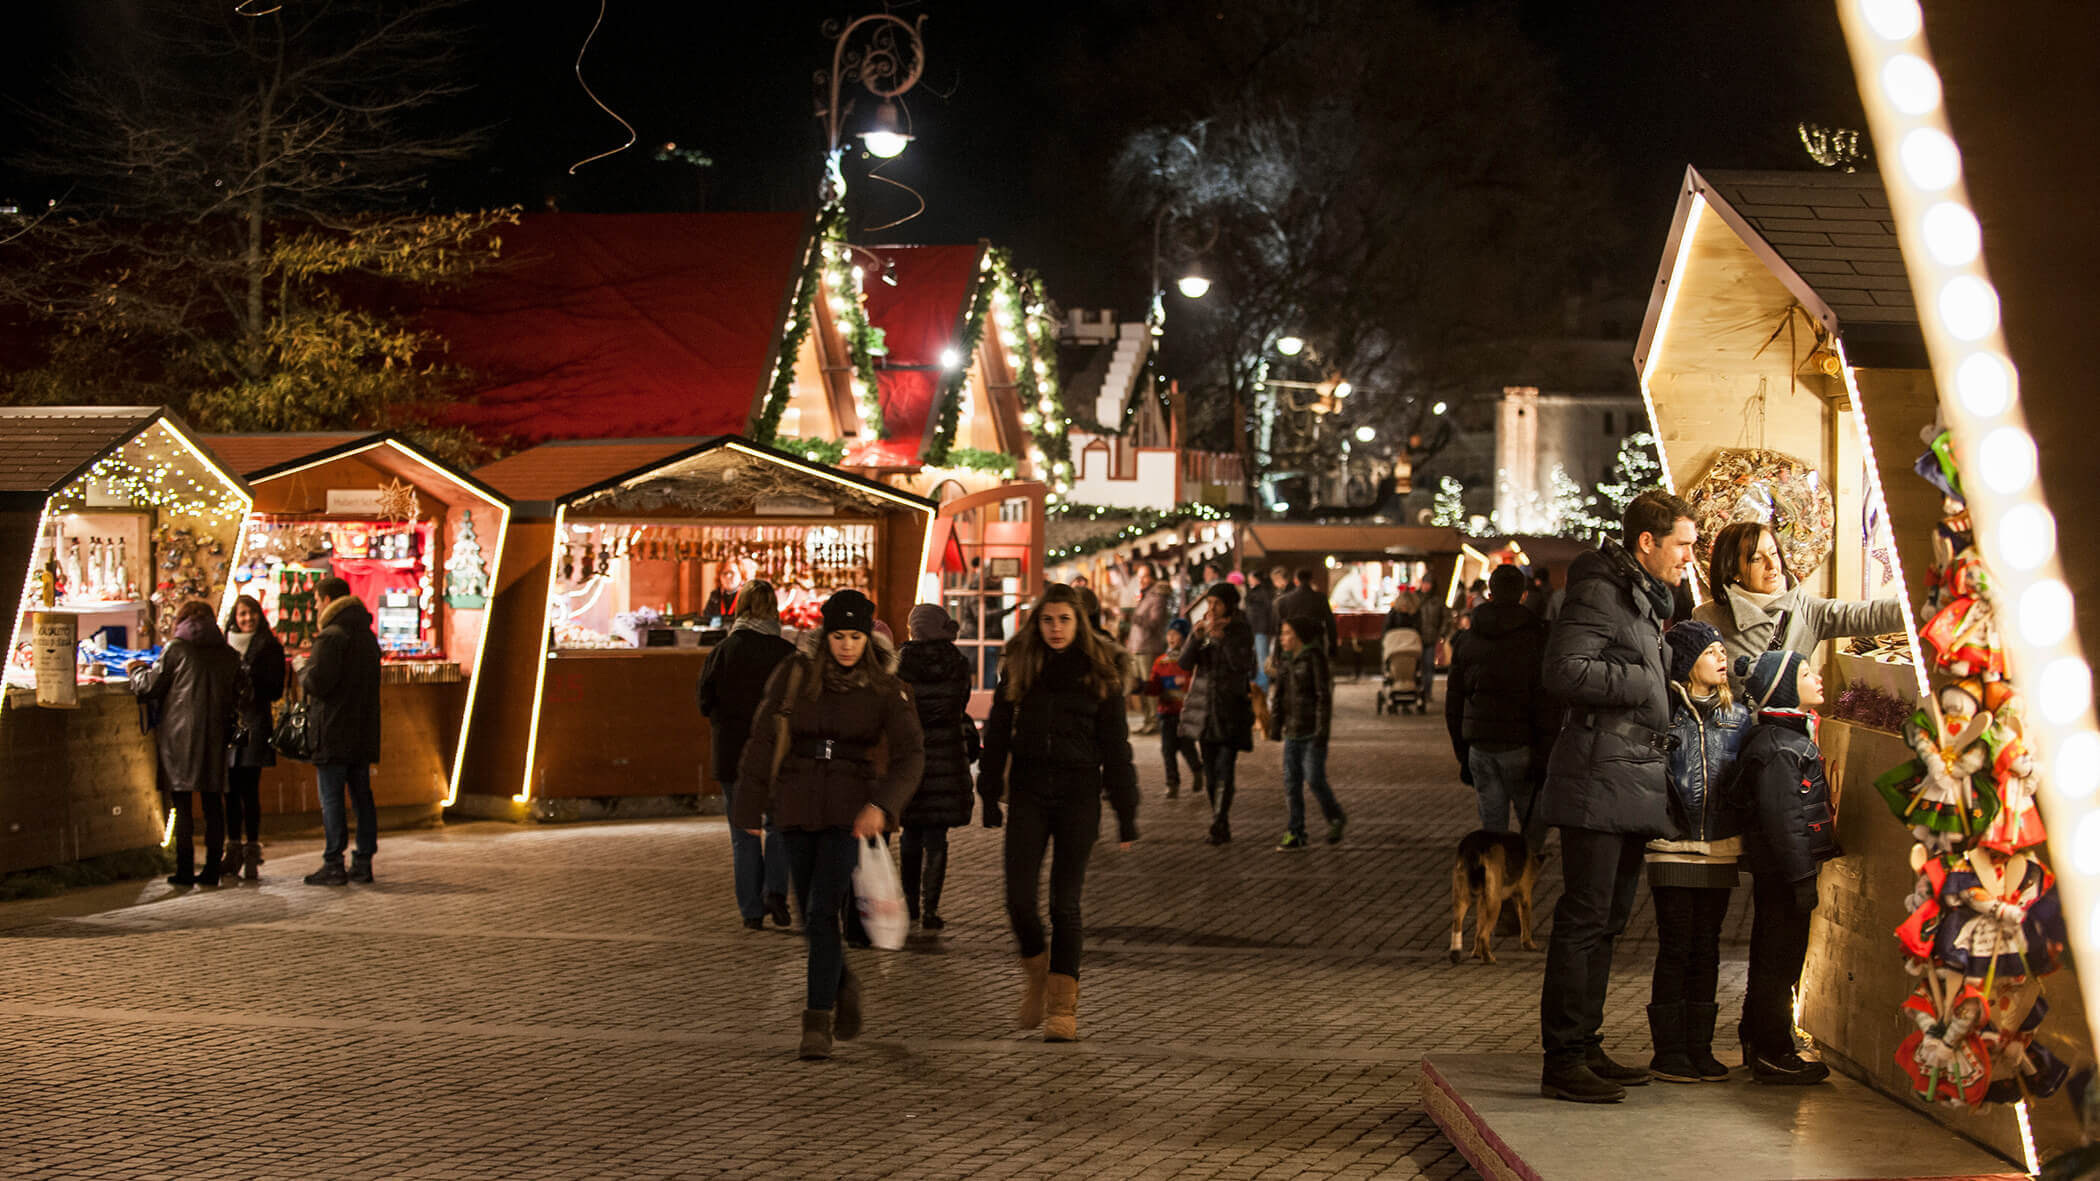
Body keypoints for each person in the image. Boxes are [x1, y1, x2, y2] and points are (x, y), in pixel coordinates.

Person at [1536, 489, 1696, 1104]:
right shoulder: (1601, 591)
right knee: (1584, 919)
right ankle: (1564, 1057)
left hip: (1627, 775)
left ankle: (1586, 1044)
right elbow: (1563, 669)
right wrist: (1638, 681)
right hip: (1597, 774)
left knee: (1606, 921)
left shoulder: (1644, 597)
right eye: (1682, 544)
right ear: (1646, 543)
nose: (1689, 557)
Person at [734, 589, 924, 1061]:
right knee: (808, 915)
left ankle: (815, 1022)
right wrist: (748, 810)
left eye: (855, 637)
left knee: (824, 912)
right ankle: (842, 983)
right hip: (795, 803)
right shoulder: (796, 674)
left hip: (849, 808)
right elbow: (763, 737)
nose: (845, 646)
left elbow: (911, 754)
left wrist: (883, 804)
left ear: (866, 638)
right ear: (826, 634)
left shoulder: (883, 687)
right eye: (838, 635)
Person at [978, 583, 1139, 1043]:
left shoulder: (1099, 673)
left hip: (1077, 797)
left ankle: (1062, 1007)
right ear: (1037, 622)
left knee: (1064, 904)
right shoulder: (1020, 668)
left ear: (1079, 622)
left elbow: (1116, 746)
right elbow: (998, 734)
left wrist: (1126, 809)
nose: (1055, 629)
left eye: (1064, 619)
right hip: (1028, 793)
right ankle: (1037, 971)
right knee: (1018, 900)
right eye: (1048, 619)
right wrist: (988, 791)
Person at [1645, 621, 1751, 1085]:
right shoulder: (1664, 712)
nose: (1722, 659)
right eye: (1711, 652)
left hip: (1719, 846)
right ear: (1688, 662)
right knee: (1676, 944)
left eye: (1722, 651)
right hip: (1671, 845)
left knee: (1707, 947)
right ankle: (1668, 1051)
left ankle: (1700, 1048)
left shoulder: (1739, 715)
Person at [1730, 649, 1838, 1085]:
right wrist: (1801, 877)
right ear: (1785, 689)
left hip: (1782, 870)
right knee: (1779, 960)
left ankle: (1760, 1041)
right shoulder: (1780, 747)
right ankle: (1773, 1050)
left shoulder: (1786, 738)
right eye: (1808, 674)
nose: (1818, 678)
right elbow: (1784, 820)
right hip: (1784, 872)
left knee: (1772, 956)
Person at [1694, 520, 1904, 689]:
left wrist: (1922, 607)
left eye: (1774, 553)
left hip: (1787, 737)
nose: (1771, 564)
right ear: (1734, 570)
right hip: (1733, 738)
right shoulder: (1706, 619)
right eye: (1756, 559)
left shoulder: (1805, 611)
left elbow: (1866, 615)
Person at [697, 579, 796, 931]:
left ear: (740, 607)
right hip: (776, 756)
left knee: (744, 833)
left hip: (733, 755)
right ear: (775, 609)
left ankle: (751, 911)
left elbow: (704, 702)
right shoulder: (786, 653)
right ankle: (776, 893)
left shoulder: (725, 650)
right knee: (779, 828)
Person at [128, 600, 242, 887]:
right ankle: (212, 870)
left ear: (182, 620)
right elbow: (243, 691)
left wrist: (135, 670)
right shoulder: (229, 654)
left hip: (179, 739)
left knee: (181, 805)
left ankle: (183, 870)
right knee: (213, 804)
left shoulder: (176, 649)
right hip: (216, 736)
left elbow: (150, 685)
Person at [1445, 565, 1553, 854]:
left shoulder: (1468, 639)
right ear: (1523, 595)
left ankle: (1496, 881)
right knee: (1533, 820)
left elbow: (1453, 700)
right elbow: (1546, 701)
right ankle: (1520, 877)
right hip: (1521, 744)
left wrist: (1461, 750)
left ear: (1490, 594)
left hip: (1479, 744)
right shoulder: (1537, 638)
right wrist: (1546, 751)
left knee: (1492, 828)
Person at [896, 603, 974, 931]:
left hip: (910, 758)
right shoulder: (956, 662)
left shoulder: (900, 662)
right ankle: (931, 910)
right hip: (945, 759)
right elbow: (960, 704)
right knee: (937, 837)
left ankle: (910, 904)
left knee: (910, 833)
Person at [301, 576, 383, 887]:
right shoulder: (366, 636)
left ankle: (333, 861)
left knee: (332, 799)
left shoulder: (330, 637)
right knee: (362, 797)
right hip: (362, 730)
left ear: (327, 600)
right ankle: (363, 861)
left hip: (333, 731)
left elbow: (319, 683)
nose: (316, 606)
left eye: (317, 601)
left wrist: (302, 670)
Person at [1178, 581, 1257, 846]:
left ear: (1229, 605)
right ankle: (1218, 817)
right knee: (1211, 773)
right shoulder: (1203, 629)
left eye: (1217, 603)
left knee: (1225, 768)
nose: (1211, 608)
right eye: (1209, 603)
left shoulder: (1240, 630)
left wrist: (1222, 641)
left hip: (1230, 708)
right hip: (1205, 710)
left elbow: (1245, 665)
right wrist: (1195, 638)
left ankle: (1219, 822)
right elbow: (1184, 663)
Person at [222, 595, 285, 882]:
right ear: (235, 617)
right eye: (242, 614)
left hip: (255, 724)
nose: (247, 618)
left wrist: (251, 678)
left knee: (249, 789)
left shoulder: (269, 646)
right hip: (227, 725)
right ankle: (232, 848)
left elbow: (275, 689)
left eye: (251, 613)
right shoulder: (223, 646)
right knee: (229, 790)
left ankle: (251, 851)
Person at [1268, 616, 1345, 850]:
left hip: (1312, 731)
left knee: (1314, 778)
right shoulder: (1286, 661)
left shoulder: (1314, 658)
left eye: (1287, 633)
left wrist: (1322, 730)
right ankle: (1296, 831)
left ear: (1299, 635)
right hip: (1292, 731)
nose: (1282, 638)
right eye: (1281, 633)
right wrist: (1275, 724)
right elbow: (1279, 696)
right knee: (1291, 783)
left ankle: (1335, 817)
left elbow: (1323, 696)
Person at [1141, 619, 1204, 799]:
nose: (1171, 638)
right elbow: (1155, 686)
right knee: (1167, 750)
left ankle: (1198, 770)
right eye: (1169, 634)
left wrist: (1182, 684)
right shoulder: (1160, 661)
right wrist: (1144, 687)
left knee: (1186, 747)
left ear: (1184, 638)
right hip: (1166, 712)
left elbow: (1192, 683)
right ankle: (1172, 783)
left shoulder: (1188, 662)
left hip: (1183, 713)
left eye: (1176, 634)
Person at [1126, 565, 1173, 734]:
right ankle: (1147, 720)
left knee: (1150, 685)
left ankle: (1154, 721)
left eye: (1144, 576)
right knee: (1141, 686)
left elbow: (1155, 622)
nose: (1141, 580)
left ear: (1153, 577)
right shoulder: (1144, 595)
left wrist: (1136, 617)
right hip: (1137, 647)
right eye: (1139, 577)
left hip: (1148, 647)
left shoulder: (1157, 597)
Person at [1274, 568, 1337, 657]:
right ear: (1311, 580)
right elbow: (1330, 623)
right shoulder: (1320, 598)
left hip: (1292, 642)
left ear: (1296, 581)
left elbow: (1279, 627)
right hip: (1315, 642)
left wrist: (1277, 652)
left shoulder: (1283, 601)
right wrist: (1333, 645)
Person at [1244, 564, 1279, 690]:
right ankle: (1259, 682)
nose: (1248, 580)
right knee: (1258, 657)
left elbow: (1266, 611)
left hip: (1260, 629)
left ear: (1255, 579)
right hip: (1257, 628)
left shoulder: (1260, 592)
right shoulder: (1262, 591)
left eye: (1250, 577)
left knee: (1262, 658)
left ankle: (1262, 686)